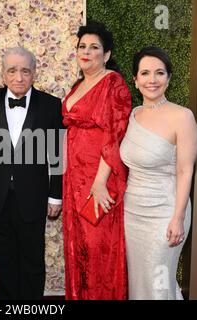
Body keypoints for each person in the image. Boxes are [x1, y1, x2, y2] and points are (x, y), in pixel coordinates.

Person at [0, 47, 63, 300]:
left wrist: (55, 196)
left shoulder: (50, 105)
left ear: (34, 73)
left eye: (25, 70)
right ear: (3, 75)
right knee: (3, 263)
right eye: (12, 71)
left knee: (33, 263)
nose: (19, 77)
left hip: (33, 198)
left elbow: (57, 155)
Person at [120, 46, 197, 300]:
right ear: (135, 80)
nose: (151, 80)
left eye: (159, 73)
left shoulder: (182, 116)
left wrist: (178, 217)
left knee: (158, 281)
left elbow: (186, 170)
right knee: (140, 280)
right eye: (144, 73)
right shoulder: (134, 115)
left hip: (166, 213)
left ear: (169, 77)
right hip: (133, 213)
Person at [62, 21, 131, 300]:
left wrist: (101, 182)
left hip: (99, 178)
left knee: (97, 248)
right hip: (73, 178)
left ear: (107, 55)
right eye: (82, 47)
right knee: (78, 246)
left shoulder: (113, 83)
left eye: (94, 47)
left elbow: (115, 134)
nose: (86, 52)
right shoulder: (78, 84)